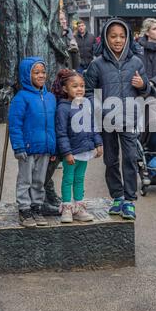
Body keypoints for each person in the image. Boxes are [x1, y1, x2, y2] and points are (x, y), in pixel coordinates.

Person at [0, 0, 69, 215]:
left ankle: (45, 186)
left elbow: (52, 28)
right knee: (35, 140)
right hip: (30, 73)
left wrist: (66, 49)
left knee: (60, 136)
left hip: (55, 67)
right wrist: (6, 82)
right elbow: (9, 39)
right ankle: (36, 194)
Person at [85, 18, 151, 220]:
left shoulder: (136, 62)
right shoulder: (97, 65)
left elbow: (146, 89)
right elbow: (88, 92)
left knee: (130, 157)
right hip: (107, 120)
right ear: (105, 38)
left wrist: (142, 85)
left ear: (128, 38)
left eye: (122, 36)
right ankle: (117, 197)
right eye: (113, 36)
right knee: (111, 160)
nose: (118, 40)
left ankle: (130, 200)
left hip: (129, 117)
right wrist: (99, 110)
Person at [8, 57, 56, 228]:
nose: (41, 75)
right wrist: (18, 146)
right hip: (27, 149)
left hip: (45, 148)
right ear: (27, 75)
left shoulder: (50, 97)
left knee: (39, 180)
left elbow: (52, 125)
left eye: (43, 72)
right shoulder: (21, 98)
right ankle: (24, 209)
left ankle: (36, 207)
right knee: (25, 180)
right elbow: (15, 124)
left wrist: (53, 147)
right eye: (36, 72)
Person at [53, 69, 103, 223]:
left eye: (82, 86)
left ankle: (79, 207)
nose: (80, 89)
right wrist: (67, 152)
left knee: (80, 178)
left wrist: (98, 143)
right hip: (72, 152)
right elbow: (61, 133)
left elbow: (92, 126)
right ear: (65, 89)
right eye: (75, 86)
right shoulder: (63, 108)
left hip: (85, 149)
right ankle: (67, 208)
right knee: (68, 179)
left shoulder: (86, 105)